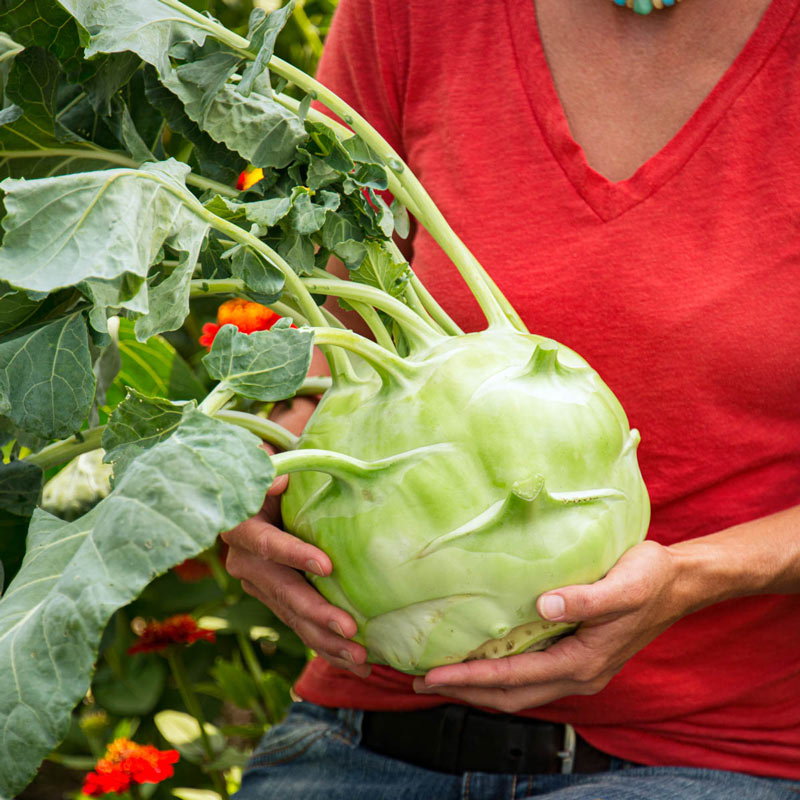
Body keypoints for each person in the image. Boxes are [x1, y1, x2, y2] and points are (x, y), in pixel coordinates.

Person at [223, 0, 800, 797]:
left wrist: (695, 576)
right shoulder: (411, 14)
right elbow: (326, 332)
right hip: (364, 722)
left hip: (702, 754)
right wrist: (249, 479)